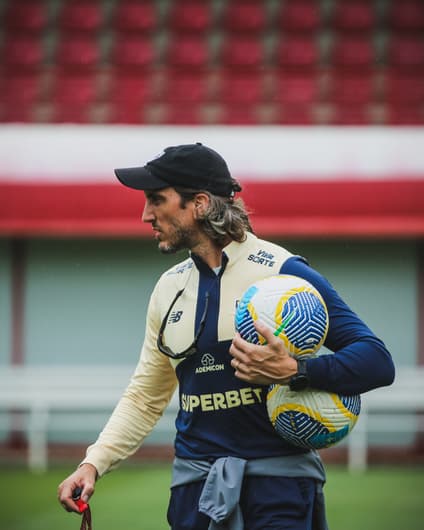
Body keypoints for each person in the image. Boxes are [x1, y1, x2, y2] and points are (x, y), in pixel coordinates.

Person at [58, 143, 395, 529]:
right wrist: (92, 464)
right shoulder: (168, 290)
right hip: (194, 490)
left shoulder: (283, 274)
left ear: (199, 203)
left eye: (156, 200)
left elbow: (375, 361)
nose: (145, 215)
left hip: (279, 490)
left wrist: (296, 371)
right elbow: (144, 397)